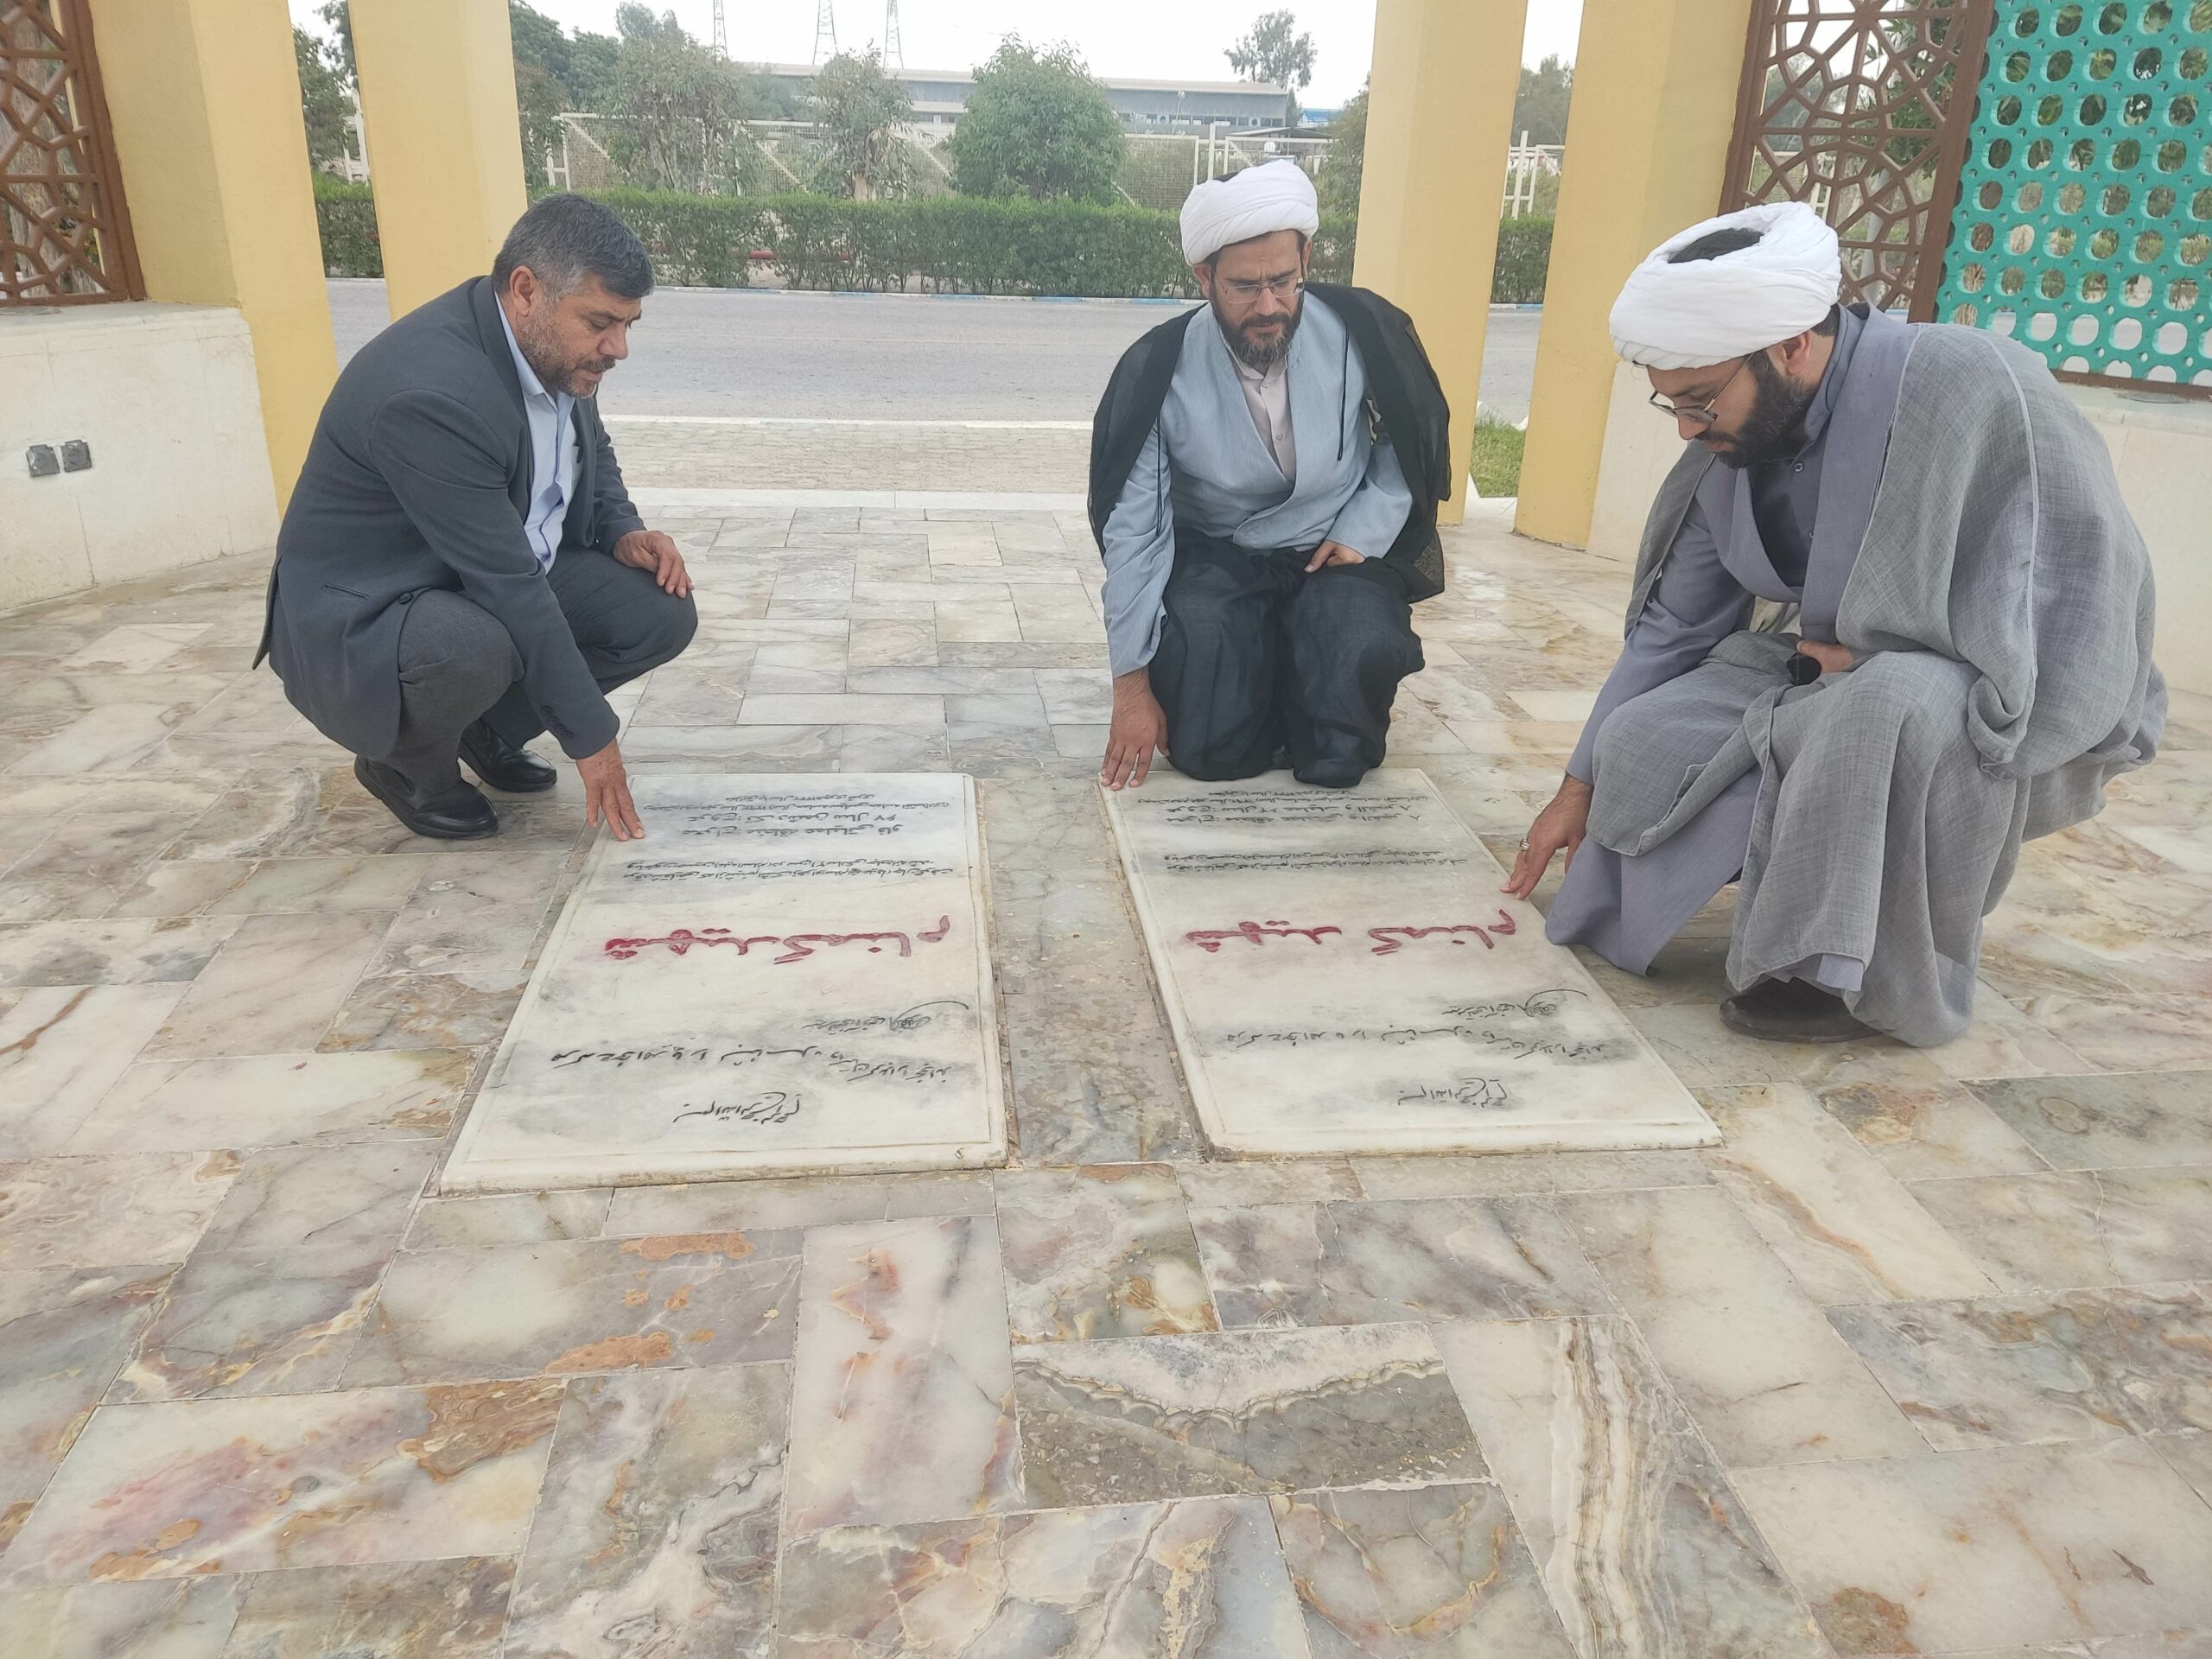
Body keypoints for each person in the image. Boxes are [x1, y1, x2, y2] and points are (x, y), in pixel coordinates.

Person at [1503, 202, 2164, 1046]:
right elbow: (1672, 629)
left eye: (1699, 401)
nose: (1683, 428)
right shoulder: (1733, 441)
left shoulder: (1971, 382)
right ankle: (1769, 885)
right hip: (1818, 663)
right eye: (1668, 403)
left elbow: (2082, 574)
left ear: (1787, 346)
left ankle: (1829, 974)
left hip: (1991, 673)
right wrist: (1576, 785)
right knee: (1647, 729)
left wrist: (1891, 644)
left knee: (1879, 711)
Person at [257, 194, 696, 842]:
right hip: (374, 612)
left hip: (469, 580)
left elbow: (587, 450)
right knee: (470, 650)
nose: (619, 348)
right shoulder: (433, 394)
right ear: (526, 290)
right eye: (602, 322)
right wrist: (593, 737)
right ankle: (407, 769)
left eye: (629, 324)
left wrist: (622, 530)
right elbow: (509, 586)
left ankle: (485, 733)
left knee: (656, 608)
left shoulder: (549, 349)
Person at [1090, 160, 1453, 791]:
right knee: (1209, 752)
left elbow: (1410, 435)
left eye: (1284, 282)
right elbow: (1135, 533)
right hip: (1224, 556)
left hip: (1333, 548)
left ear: (1307, 256)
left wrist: (1366, 525)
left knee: (1342, 743)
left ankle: (1313, 692)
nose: (1269, 307)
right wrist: (1131, 689)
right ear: (1204, 277)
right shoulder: (1157, 368)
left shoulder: (1362, 329)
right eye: (1243, 286)